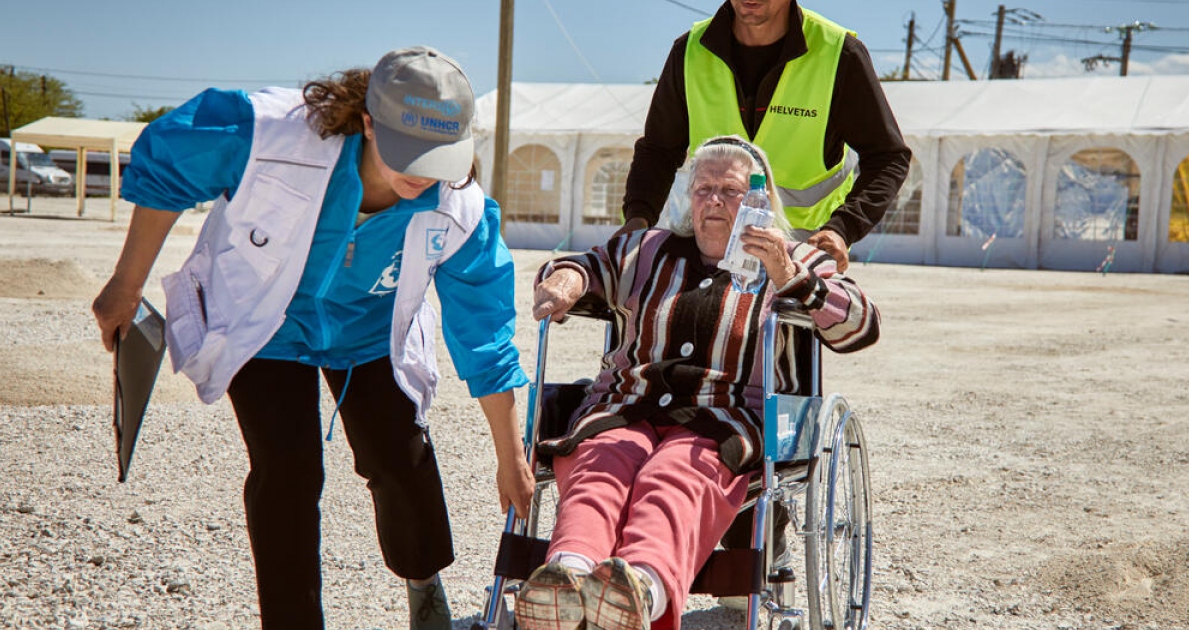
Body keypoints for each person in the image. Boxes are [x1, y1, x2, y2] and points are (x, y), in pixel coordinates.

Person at [90, 47, 535, 630]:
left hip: (371, 335)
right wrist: (126, 284)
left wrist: (510, 457)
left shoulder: (461, 210)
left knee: (398, 459)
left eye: (439, 156)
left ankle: (424, 584)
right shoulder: (269, 134)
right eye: (407, 151)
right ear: (369, 123)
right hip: (266, 327)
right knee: (287, 472)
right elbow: (168, 158)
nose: (422, 172)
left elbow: (483, 332)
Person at [515, 136, 880, 630]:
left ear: (759, 198)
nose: (713, 200)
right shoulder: (648, 248)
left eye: (729, 191)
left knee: (675, 475)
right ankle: (568, 577)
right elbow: (585, 265)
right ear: (688, 197)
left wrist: (789, 275)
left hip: (723, 418)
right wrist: (564, 284)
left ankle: (640, 587)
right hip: (627, 403)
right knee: (602, 465)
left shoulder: (792, 257)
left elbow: (861, 324)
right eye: (703, 188)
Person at [617, 0, 912, 272]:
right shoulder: (690, 52)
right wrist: (637, 220)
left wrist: (842, 228)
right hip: (710, 250)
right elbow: (658, 151)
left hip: (802, 254)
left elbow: (888, 157)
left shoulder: (839, 54)